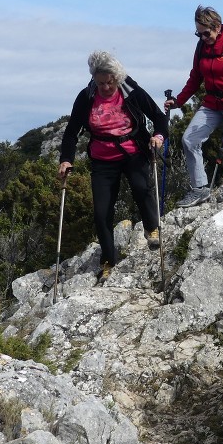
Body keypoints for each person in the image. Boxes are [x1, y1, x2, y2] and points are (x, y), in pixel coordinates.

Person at [59, 51, 168, 282]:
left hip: (133, 151)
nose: (106, 87)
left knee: (141, 187)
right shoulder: (87, 96)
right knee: (101, 212)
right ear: (93, 79)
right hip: (102, 159)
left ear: (117, 78)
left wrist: (158, 136)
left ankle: (152, 228)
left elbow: (158, 116)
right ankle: (108, 261)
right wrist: (66, 159)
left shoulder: (130, 90)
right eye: (101, 83)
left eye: (110, 83)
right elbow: (71, 133)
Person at [166, 5, 223, 207]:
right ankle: (199, 189)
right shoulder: (201, 48)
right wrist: (179, 101)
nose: (203, 37)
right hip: (212, 103)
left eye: (206, 33)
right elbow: (195, 77)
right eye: (199, 34)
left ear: (217, 26)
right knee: (189, 139)